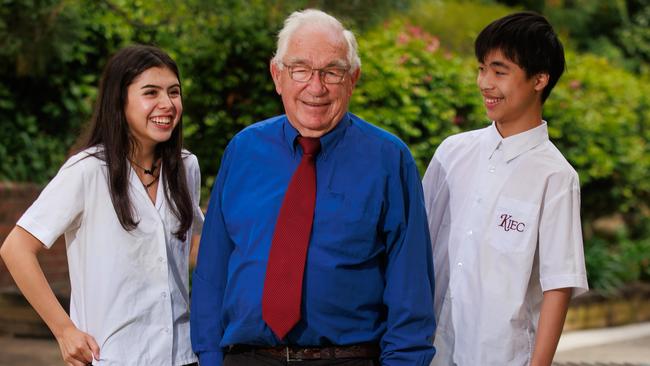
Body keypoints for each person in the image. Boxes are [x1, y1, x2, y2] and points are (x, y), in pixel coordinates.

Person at [190, 9, 436, 366]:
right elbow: (212, 272)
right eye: (300, 69)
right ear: (277, 75)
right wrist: (211, 359)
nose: (316, 87)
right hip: (247, 358)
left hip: (346, 357)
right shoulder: (243, 151)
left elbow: (410, 290)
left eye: (332, 72)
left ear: (353, 78)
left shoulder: (388, 159)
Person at [0, 45, 203, 366]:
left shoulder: (185, 166)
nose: (167, 104)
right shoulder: (88, 170)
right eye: (151, 92)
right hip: (113, 356)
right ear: (119, 101)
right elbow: (15, 249)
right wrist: (64, 330)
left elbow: (192, 245)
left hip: (183, 355)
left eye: (174, 92)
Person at [423, 11, 589, 366]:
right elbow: (416, 245)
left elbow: (558, 285)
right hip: (429, 351)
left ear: (539, 79)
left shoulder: (555, 176)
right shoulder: (452, 153)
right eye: (482, 69)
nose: (485, 82)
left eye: (500, 72)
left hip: (499, 357)